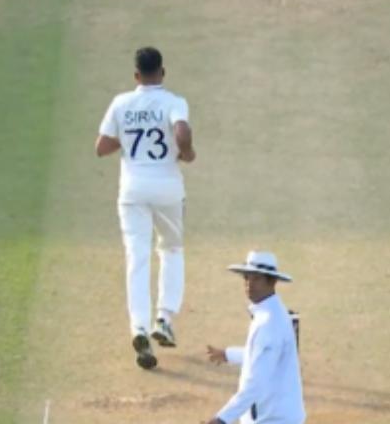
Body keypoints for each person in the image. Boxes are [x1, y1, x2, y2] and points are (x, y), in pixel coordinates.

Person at [96, 46, 194, 370]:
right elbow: (181, 131)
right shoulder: (174, 102)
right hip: (167, 187)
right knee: (171, 250)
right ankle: (164, 318)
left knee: (136, 257)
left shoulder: (121, 103)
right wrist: (187, 152)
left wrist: (128, 136)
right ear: (162, 72)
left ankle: (138, 328)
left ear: (136, 75)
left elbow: (101, 147)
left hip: (133, 190)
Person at [203, 251, 305, 424]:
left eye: (256, 278)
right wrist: (228, 354)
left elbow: (255, 385)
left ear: (271, 282)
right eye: (246, 278)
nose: (249, 284)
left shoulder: (268, 322)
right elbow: (261, 355)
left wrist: (221, 419)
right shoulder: (270, 314)